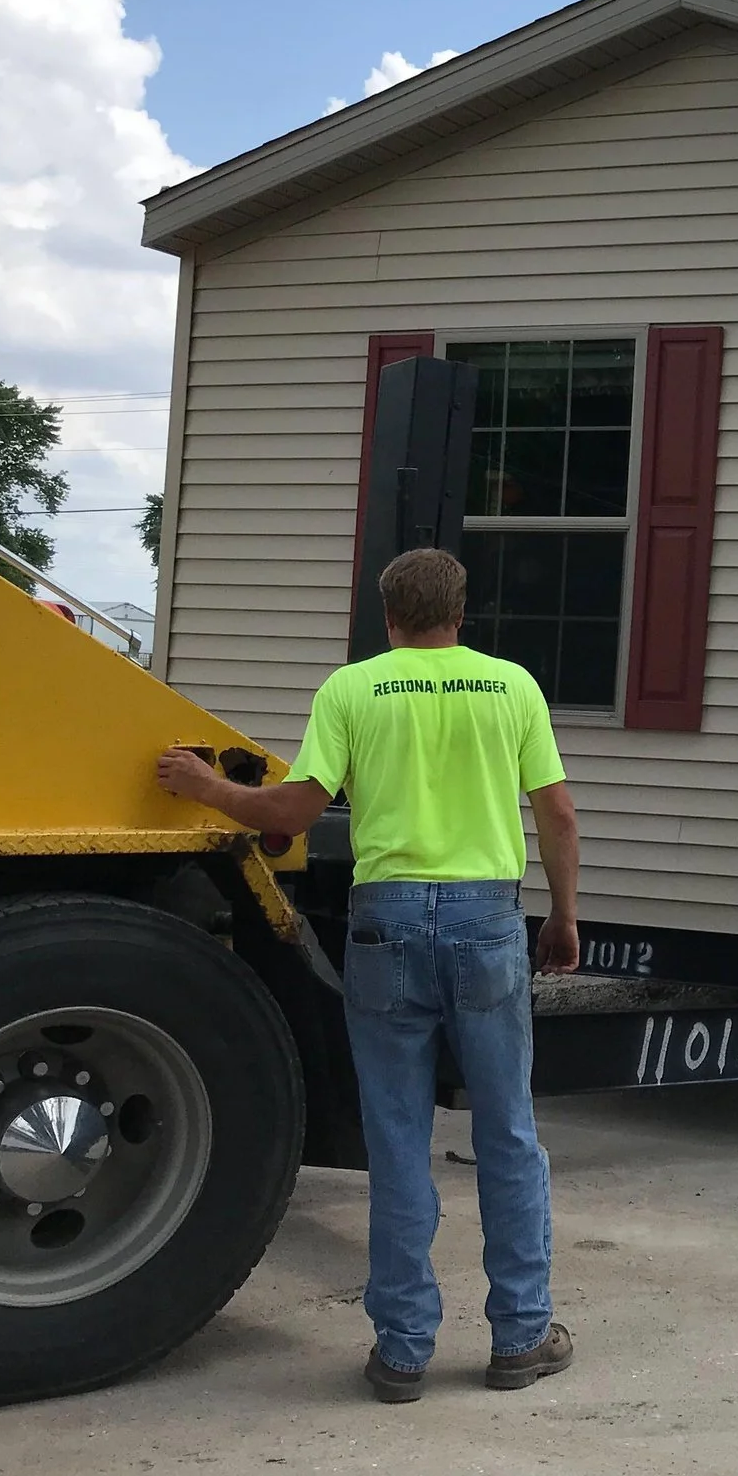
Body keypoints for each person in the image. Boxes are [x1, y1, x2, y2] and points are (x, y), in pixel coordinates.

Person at [155, 547, 583, 1403]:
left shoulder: (352, 690)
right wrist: (564, 915)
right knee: (507, 1133)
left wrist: (204, 784)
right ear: (462, 613)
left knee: (396, 1138)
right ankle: (521, 1335)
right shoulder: (513, 687)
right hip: (484, 917)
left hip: (385, 921)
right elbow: (559, 812)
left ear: (387, 613)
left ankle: (402, 1350)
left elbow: (295, 810)